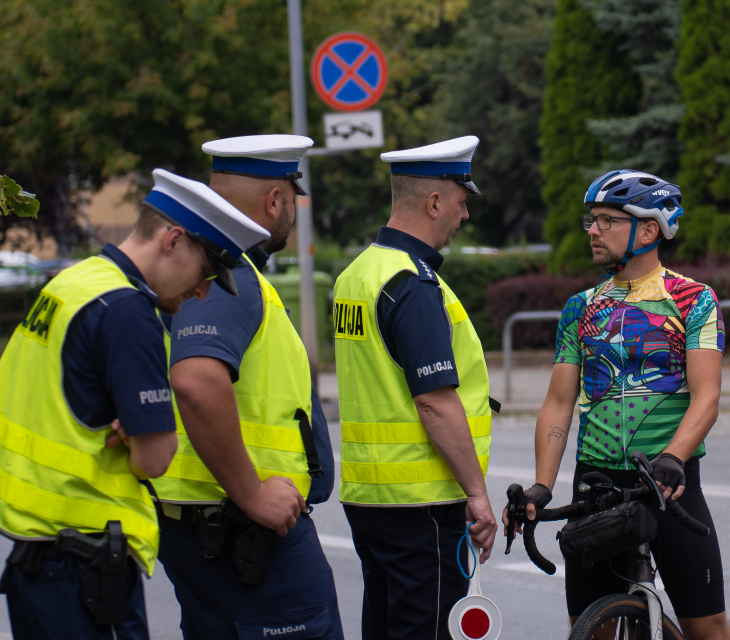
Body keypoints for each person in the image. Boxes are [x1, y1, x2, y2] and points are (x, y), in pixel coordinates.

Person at [0, 168, 270, 639]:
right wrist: (140, 437)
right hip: (85, 565)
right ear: (173, 240)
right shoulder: (128, 310)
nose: (203, 291)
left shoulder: (73, 284)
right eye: (207, 270)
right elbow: (154, 458)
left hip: (34, 555)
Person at [507, 170, 730, 640]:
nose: (592, 229)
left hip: (669, 484)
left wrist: (674, 456)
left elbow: (706, 395)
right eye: (591, 220)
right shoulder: (580, 308)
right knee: (590, 629)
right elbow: (557, 403)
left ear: (648, 230)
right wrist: (542, 487)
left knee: (707, 628)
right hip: (596, 485)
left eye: (606, 220)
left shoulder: (694, 300)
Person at [152, 134, 343, 640]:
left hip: (212, 525)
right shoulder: (227, 272)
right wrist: (252, 493)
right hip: (242, 527)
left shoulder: (217, 270)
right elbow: (194, 379)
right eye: (292, 201)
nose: (291, 214)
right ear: (275, 201)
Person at [334, 136, 498, 640]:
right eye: (460, 202)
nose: (464, 215)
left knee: (386, 627)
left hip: (372, 498)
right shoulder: (413, 282)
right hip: (422, 502)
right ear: (433, 202)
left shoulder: (358, 273)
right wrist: (478, 496)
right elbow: (434, 400)